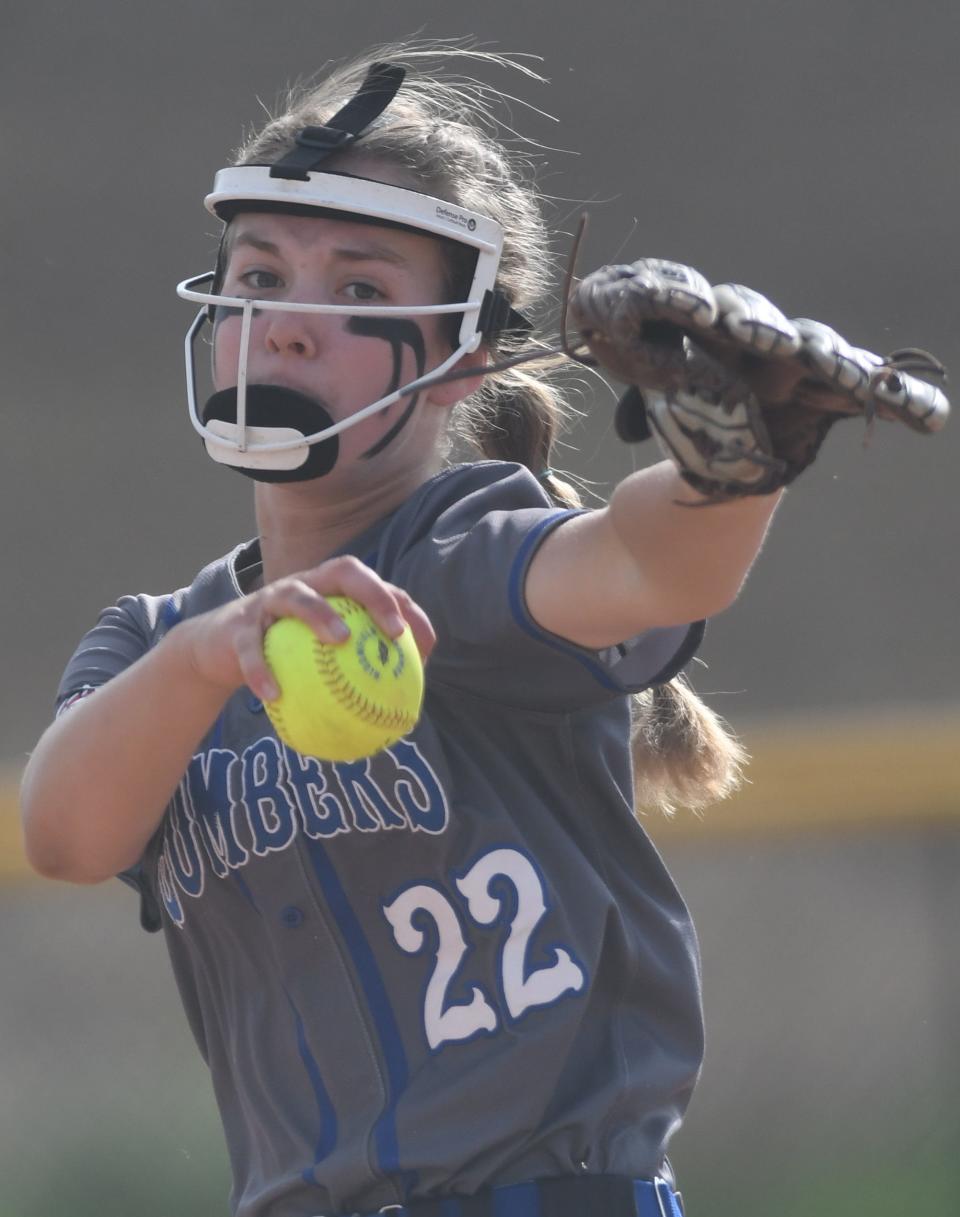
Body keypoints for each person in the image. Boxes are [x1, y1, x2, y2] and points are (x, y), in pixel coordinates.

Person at [20, 44, 781, 1217]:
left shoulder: (455, 553)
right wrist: (207, 654)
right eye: (261, 276)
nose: (286, 324)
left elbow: (647, 560)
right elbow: (65, 834)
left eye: (361, 293)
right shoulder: (158, 645)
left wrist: (736, 459)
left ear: (463, 355)